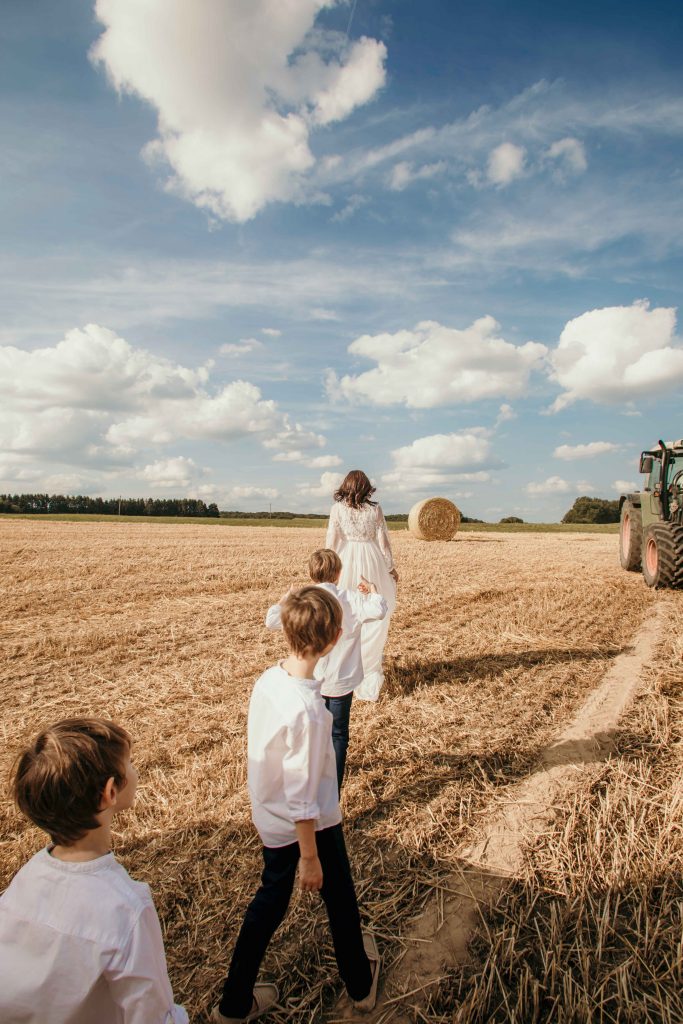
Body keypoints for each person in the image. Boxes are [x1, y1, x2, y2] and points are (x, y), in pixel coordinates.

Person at [213, 587, 381, 1023]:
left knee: (268, 904)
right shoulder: (308, 711)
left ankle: (233, 1004)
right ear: (335, 639)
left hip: (269, 817)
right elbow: (304, 795)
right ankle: (361, 986)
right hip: (311, 826)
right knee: (340, 900)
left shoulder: (270, 679)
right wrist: (309, 856)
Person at [0, 718, 188, 1024]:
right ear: (110, 792)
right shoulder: (126, 908)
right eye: (130, 763)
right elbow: (151, 1015)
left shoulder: (24, 880)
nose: (135, 771)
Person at [265, 548, 388, 791]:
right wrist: (372, 591)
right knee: (338, 734)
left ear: (311, 573)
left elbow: (271, 620)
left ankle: (309, 779)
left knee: (311, 732)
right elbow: (379, 610)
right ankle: (333, 789)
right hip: (341, 681)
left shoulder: (304, 600)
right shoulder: (351, 598)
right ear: (339, 573)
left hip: (311, 680)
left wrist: (285, 598)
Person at [325, 470, 398, 700]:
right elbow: (383, 542)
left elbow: (331, 541)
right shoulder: (375, 510)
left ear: (345, 486)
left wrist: (329, 570)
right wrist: (390, 568)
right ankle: (368, 671)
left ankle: (343, 672)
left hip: (346, 560)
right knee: (374, 617)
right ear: (366, 488)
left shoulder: (337, 510)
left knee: (345, 615)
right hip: (372, 560)